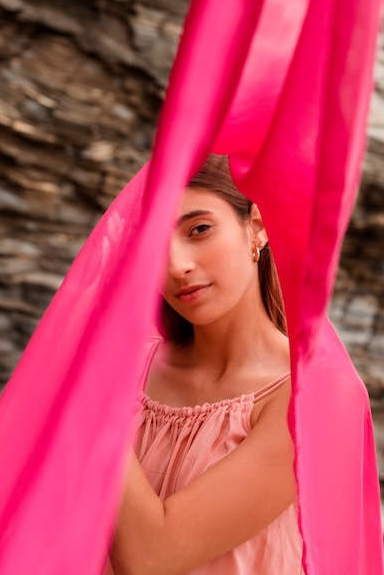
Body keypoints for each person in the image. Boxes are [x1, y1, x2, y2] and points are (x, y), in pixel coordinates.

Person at [106, 154, 304, 575]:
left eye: (199, 229)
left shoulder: (306, 396)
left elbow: (150, 556)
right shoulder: (125, 367)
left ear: (257, 227)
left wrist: (88, 401)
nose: (177, 266)